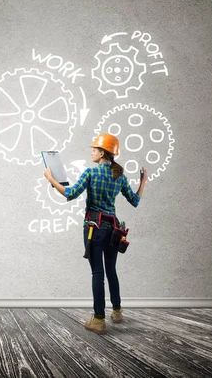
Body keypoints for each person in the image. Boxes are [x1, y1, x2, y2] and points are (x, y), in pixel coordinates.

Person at [43, 133, 147, 335]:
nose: (91, 152)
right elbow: (135, 201)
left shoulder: (90, 173)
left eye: (94, 149)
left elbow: (70, 194)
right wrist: (143, 182)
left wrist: (51, 179)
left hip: (94, 228)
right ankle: (117, 312)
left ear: (102, 152)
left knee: (97, 273)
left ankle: (99, 320)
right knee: (111, 271)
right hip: (114, 229)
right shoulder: (119, 176)